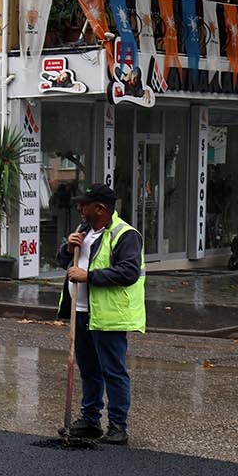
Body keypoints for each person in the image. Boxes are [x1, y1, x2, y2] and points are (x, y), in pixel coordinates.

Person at [56, 183, 146, 445]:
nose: (79, 208)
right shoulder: (82, 231)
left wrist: (89, 276)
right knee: (89, 370)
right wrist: (66, 249)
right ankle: (90, 420)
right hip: (82, 312)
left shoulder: (125, 234)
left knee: (113, 371)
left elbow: (128, 272)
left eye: (84, 205)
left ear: (101, 208)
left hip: (109, 315)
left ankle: (118, 425)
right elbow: (65, 262)